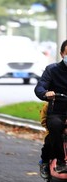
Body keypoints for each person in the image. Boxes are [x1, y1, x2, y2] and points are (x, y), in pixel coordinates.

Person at [35, 39, 67, 173]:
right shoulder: (52, 70)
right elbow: (40, 87)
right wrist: (45, 93)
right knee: (54, 129)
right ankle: (59, 161)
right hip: (57, 111)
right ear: (61, 54)